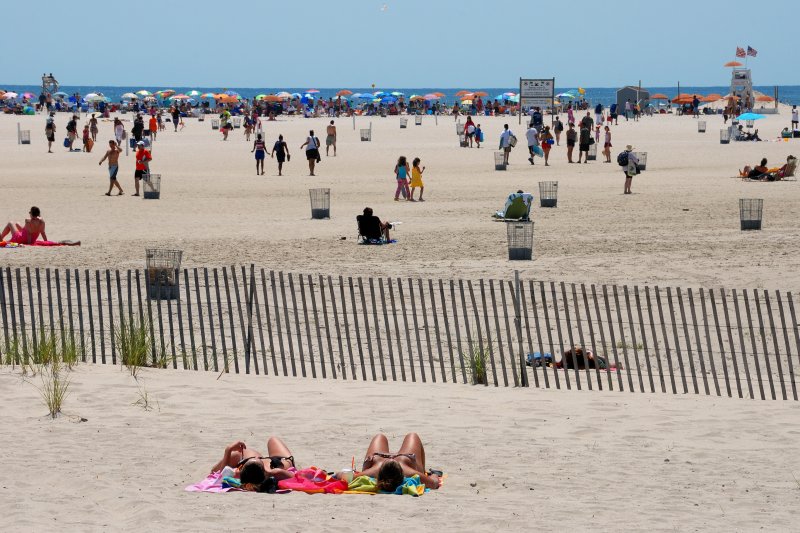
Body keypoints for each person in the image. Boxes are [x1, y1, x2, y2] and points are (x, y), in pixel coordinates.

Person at [353, 433, 440, 492]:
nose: (391, 458)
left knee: (380, 436)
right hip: (399, 459)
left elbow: (342, 476)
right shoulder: (410, 472)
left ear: (380, 472)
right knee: (412, 435)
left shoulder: (374, 471)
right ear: (402, 475)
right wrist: (435, 474)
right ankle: (421, 469)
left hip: (378, 458)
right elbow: (434, 483)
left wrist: (367, 465)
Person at [209, 437, 298, 493]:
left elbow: (221, 475)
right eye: (258, 459)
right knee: (273, 439)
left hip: (255, 467)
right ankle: (253, 461)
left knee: (235, 455)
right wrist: (270, 472)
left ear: (241, 469)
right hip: (279, 460)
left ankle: (249, 460)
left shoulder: (239, 474)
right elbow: (296, 477)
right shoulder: (275, 472)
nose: (257, 456)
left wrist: (228, 450)